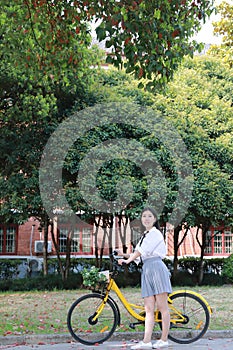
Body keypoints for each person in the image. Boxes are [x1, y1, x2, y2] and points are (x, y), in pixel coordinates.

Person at [118, 207, 172, 349]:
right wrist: (123, 255)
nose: (146, 219)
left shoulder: (155, 233)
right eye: (144, 216)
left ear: (155, 219)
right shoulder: (145, 235)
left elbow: (142, 251)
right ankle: (146, 341)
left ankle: (164, 339)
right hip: (147, 269)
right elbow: (139, 253)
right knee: (149, 308)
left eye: (149, 216)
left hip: (157, 268)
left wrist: (127, 261)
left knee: (162, 307)